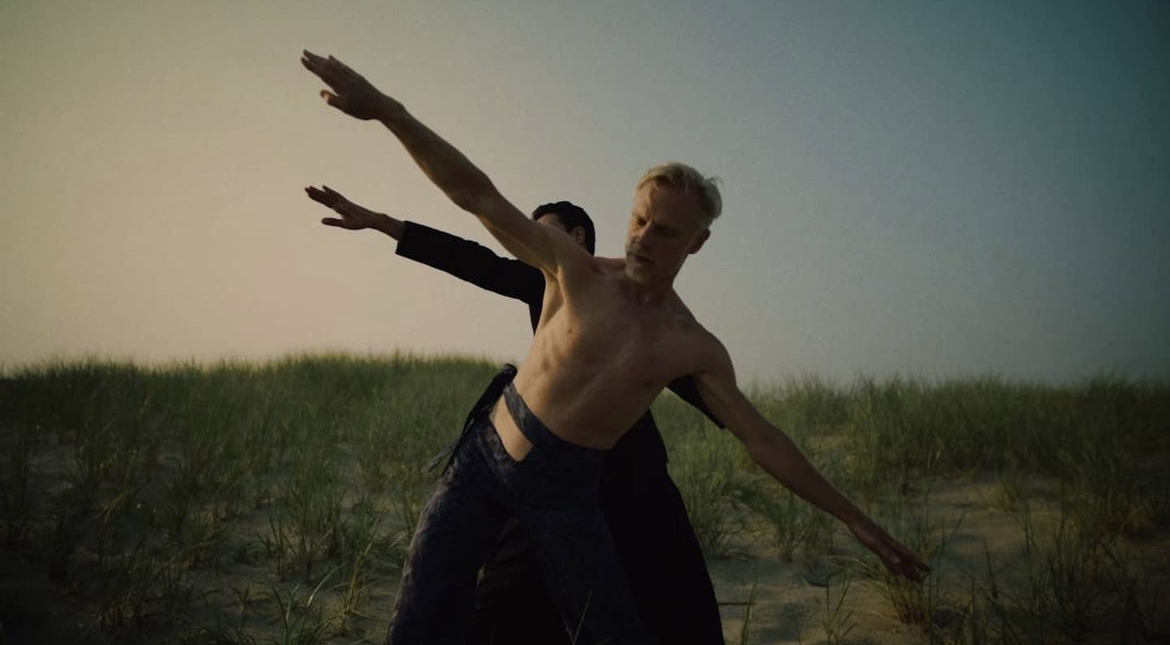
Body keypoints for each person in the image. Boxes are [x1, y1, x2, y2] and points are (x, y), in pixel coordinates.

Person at [301, 50, 929, 645]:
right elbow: (478, 198)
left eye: (665, 231)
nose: (643, 238)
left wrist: (853, 518)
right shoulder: (572, 272)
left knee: (612, 629)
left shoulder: (691, 346)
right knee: (422, 614)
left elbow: (763, 439)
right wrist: (388, 111)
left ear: (697, 244)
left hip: (562, 490)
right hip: (481, 460)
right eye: (639, 219)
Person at [303, 188, 726, 644]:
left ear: (576, 235)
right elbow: (473, 259)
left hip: (630, 465)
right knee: (512, 586)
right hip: (546, 458)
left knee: (665, 583)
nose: (528, 240)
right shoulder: (545, 278)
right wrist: (384, 221)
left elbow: (696, 379)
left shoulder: (633, 297)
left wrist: (750, 429)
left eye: (541, 229)